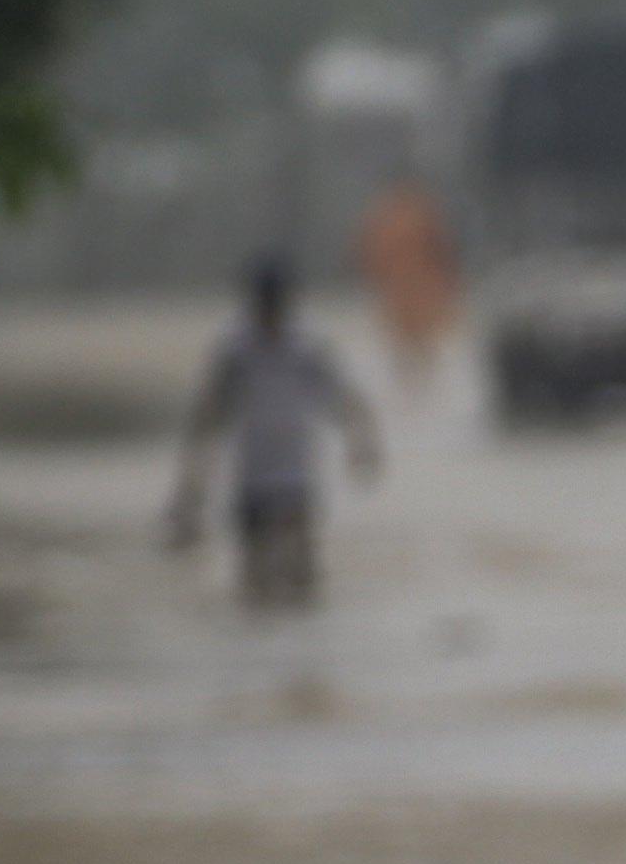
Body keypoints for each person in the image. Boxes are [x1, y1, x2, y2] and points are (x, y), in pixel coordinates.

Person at [167, 252, 382, 607]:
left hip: (296, 479)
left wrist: (363, 444)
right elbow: (206, 420)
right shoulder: (235, 349)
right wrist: (189, 495)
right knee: (256, 587)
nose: (270, 311)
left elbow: (346, 399)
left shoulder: (308, 345)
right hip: (253, 481)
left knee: (301, 583)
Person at [353, 179, 463, 385]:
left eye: (412, 251)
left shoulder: (480, 351)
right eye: (390, 257)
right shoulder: (350, 358)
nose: (402, 271)